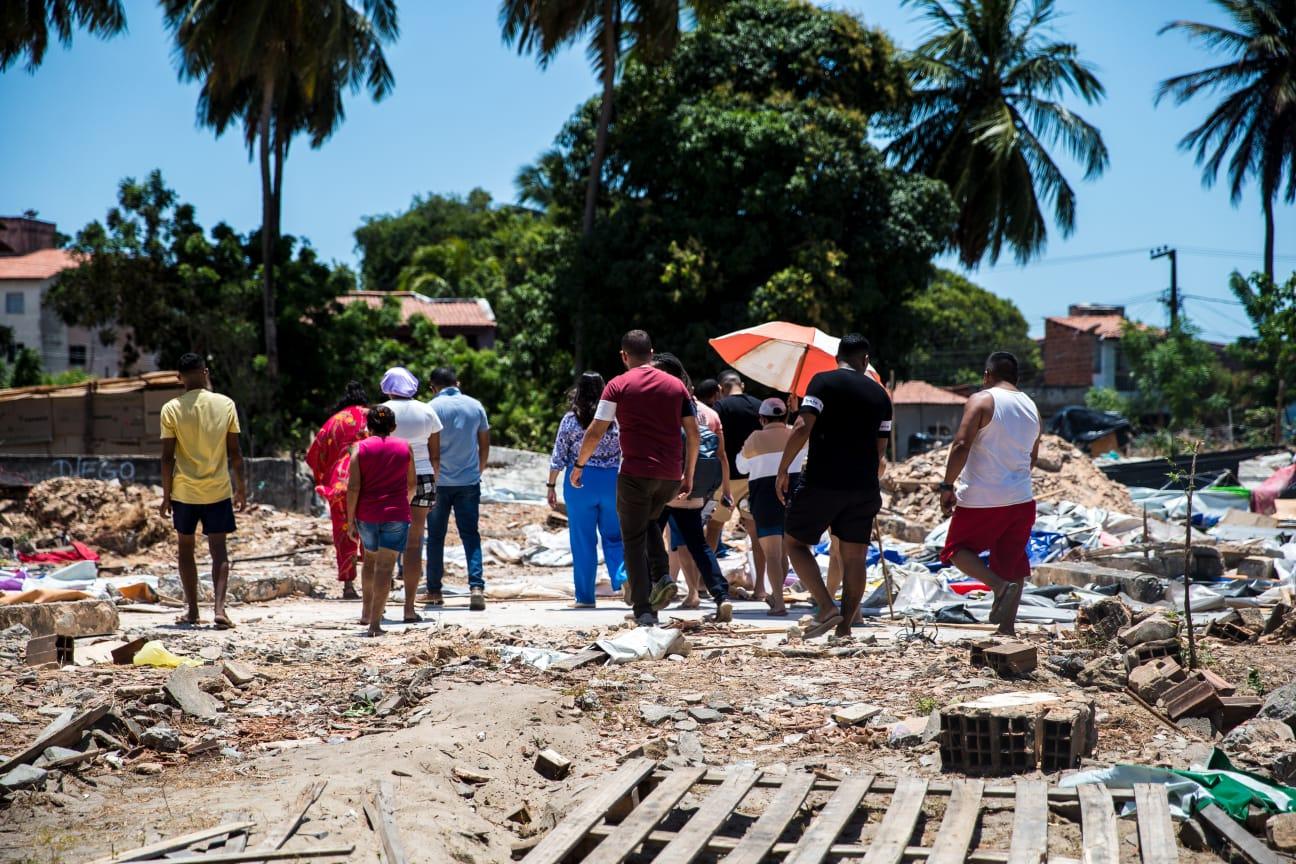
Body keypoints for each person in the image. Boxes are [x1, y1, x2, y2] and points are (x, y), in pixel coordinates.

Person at [571, 330, 699, 627]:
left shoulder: (617, 385)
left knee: (632, 539)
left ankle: (643, 609)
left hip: (635, 474)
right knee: (649, 521)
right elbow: (693, 433)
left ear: (624, 356)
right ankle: (663, 576)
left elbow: (596, 430)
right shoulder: (677, 386)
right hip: (670, 475)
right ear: (652, 353)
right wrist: (689, 474)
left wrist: (579, 465)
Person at [776, 334, 892, 638]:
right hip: (863, 487)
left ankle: (826, 607)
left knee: (794, 542)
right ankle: (845, 628)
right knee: (854, 558)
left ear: (837, 357)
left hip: (823, 481)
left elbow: (802, 426)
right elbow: (881, 449)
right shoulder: (881, 395)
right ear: (865, 360)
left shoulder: (822, 382)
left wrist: (783, 468)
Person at [939, 352, 1042, 636]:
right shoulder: (1031, 407)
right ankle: (1007, 628)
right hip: (1021, 499)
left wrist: (947, 485)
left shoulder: (982, 400)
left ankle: (998, 586)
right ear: (1016, 378)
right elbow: (1033, 457)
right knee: (1013, 560)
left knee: (956, 550)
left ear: (987, 375)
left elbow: (961, 444)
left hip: (982, 498)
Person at [159, 353, 247, 629]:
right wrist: (241, 488)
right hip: (218, 490)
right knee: (219, 550)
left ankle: (193, 611)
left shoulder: (171, 409)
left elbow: (167, 458)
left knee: (186, 548)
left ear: (179, 377)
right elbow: (235, 453)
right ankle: (220, 610)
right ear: (205, 372)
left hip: (184, 492)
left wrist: (166, 495)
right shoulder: (226, 404)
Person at [649, 353, 732, 622]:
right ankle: (721, 596)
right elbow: (721, 454)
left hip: (668, 486)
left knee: (648, 539)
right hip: (696, 489)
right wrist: (723, 489)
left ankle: (649, 599)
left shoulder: (666, 404)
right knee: (700, 545)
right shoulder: (708, 413)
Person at [547, 372, 625, 607]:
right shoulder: (616, 419)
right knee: (614, 537)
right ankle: (624, 578)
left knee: (583, 541)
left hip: (579, 481)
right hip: (611, 482)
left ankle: (585, 597)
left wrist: (551, 485)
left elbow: (558, 455)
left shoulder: (570, 420)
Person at [379, 367, 442, 623]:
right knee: (414, 544)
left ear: (387, 387)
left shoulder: (381, 412)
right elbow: (435, 456)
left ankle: (379, 606)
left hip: (389, 479)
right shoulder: (427, 411)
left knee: (385, 545)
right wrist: (433, 485)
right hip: (424, 477)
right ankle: (409, 608)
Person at [346, 405, 415, 637]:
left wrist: (350, 520)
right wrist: (402, 504)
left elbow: (353, 487)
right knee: (386, 567)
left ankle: (366, 613)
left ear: (369, 427)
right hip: (396, 514)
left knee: (370, 561)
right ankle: (375, 625)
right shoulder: (405, 447)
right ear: (393, 427)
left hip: (367, 515)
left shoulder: (359, 448)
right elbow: (412, 484)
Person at [425, 367, 491, 610]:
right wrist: (477, 471)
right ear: (457, 383)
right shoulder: (475, 406)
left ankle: (434, 590)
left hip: (438, 482)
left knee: (435, 537)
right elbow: (484, 445)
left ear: (433, 387)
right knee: (471, 535)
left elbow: (429, 449)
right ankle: (476, 587)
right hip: (469, 482)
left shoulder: (430, 408)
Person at [737, 397, 805, 616]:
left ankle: (779, 603)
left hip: (764, 499)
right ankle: (777, 595)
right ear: (785, 416)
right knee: (785, 553)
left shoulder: (755, 438)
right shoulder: (795, 435)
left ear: (762, 418)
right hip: (792, 497)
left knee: (772, 555)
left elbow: (741, 466)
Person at [306, 382, 370, 600]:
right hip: (369, 480)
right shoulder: (374, 417)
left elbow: (314, 454)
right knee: (372, 530)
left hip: (340, 484)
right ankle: (376, 583)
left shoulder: (334, 421)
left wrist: (325, 477)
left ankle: (348, 586)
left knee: (343, 533)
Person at [708, 370, 766, 597]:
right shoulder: (759, 405)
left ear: (720, 389)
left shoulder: (719, 408)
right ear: (742, 385)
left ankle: (707, 583)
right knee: (755, 533)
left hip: (726, 479)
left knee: (715, 528)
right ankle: (760, 588)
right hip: (753, 478)